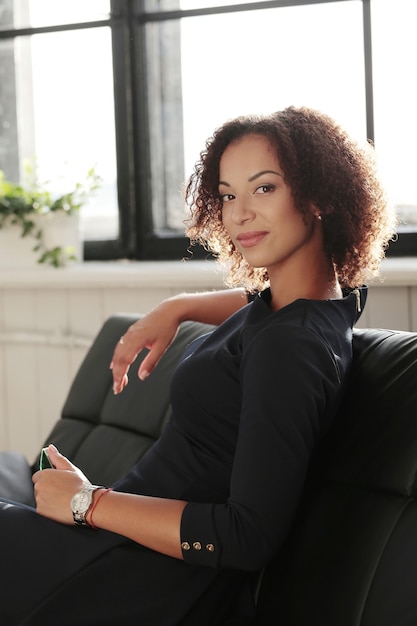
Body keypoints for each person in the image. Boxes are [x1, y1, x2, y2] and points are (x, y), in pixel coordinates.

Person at [0, 106, 395, 625]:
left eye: (265, 188)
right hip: (116, 544)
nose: (239, 214)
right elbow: (267, 304)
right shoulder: (323, 306)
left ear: (321, 194)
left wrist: (87, 502)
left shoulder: (291, 348)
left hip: (135, 577)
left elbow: (246, 536)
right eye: (229, 195)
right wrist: (180, 305)